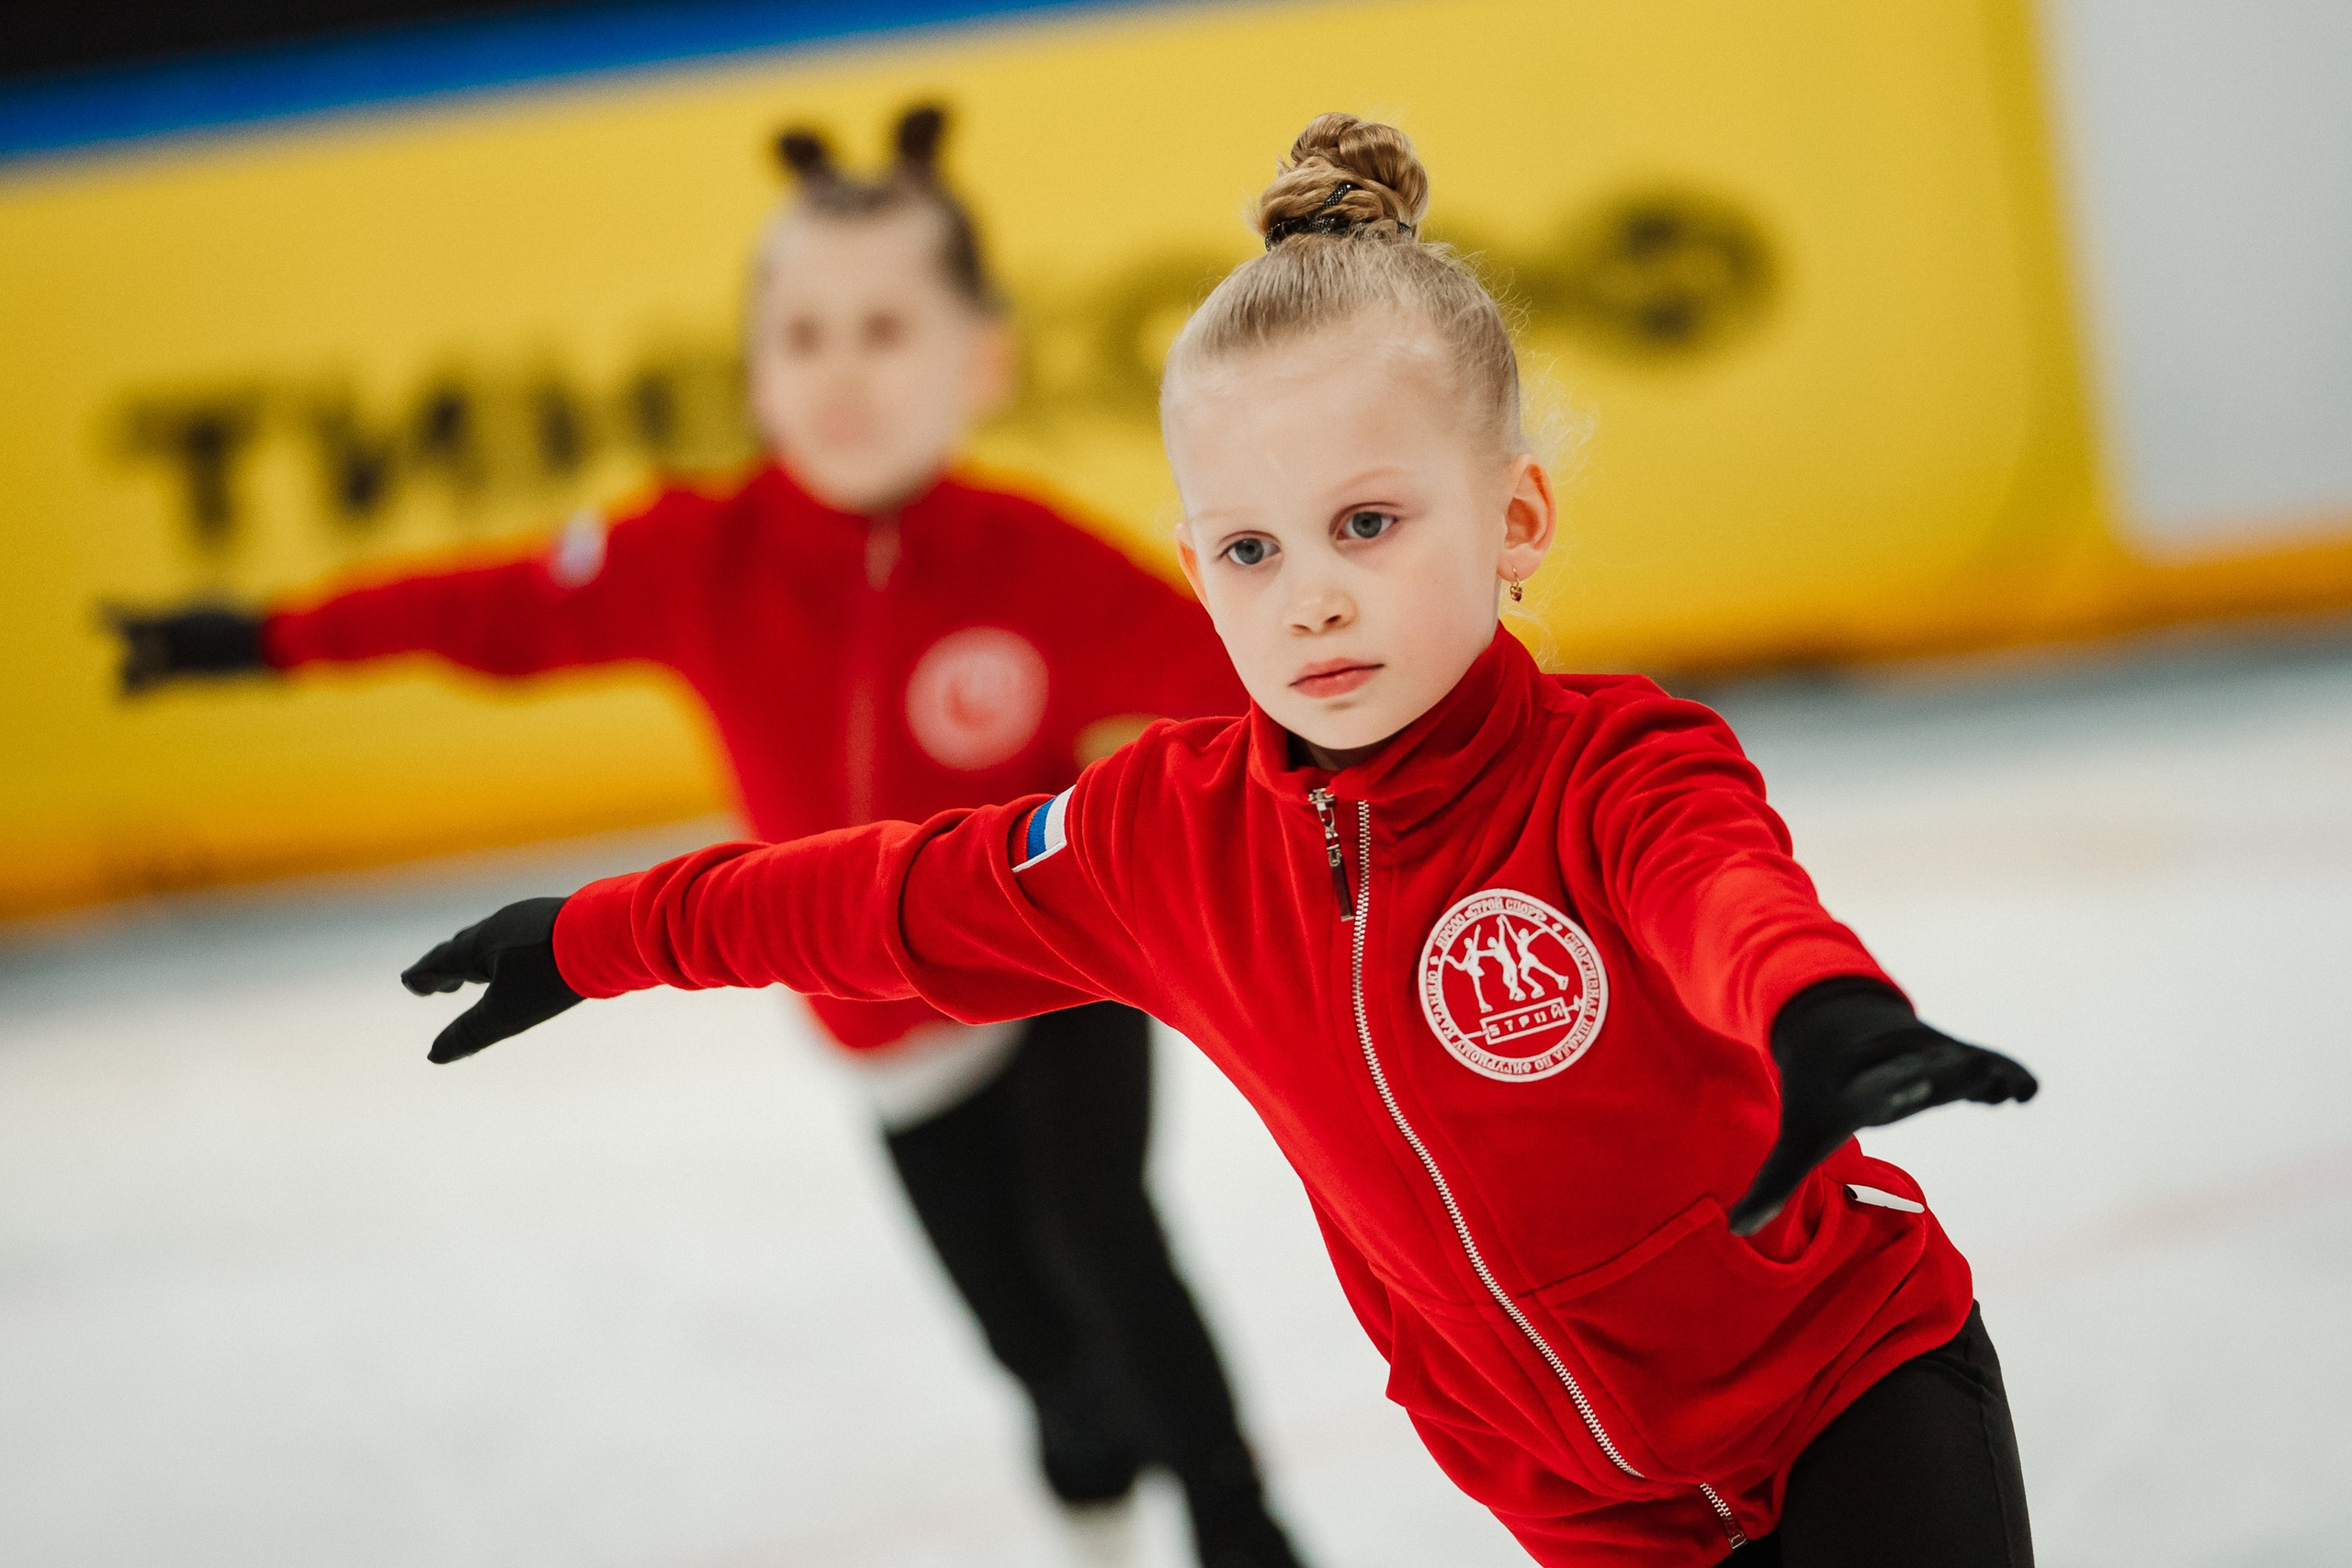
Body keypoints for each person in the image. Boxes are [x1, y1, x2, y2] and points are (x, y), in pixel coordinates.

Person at [399, 114, 2041, 1567]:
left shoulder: (1608, 765)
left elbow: (1723, 894)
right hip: (1578, 1508)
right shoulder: (1159, 843)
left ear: (1515, 517)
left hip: (1847, 1386)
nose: (1309, 591)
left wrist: (1818, 1008)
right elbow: (881, 894)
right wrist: (587, 937)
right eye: (1249, 548)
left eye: (1369, 524)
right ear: (1194, 568)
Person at [107, 106, 1306, 1568]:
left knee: (1108, 1236)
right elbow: (488, 610)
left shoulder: (1031, 559)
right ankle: (1079, 1426)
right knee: (1041, 1353)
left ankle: (1242, 1528)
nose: (842, 370)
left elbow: (1241, 687)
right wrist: (267, 639)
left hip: (1054, 962)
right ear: (755, 368)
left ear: (979, 360)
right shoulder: (702, 560)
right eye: (804, 336)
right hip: (874, 1026)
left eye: (884, 327)